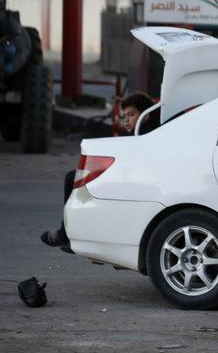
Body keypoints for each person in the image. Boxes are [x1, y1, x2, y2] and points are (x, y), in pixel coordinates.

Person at [40, 92, 157, 253]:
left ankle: (67, 234)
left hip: (135, 182)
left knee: (73, 178)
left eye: (131, 114)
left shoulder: (143, 132)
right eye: (124, 116)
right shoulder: (147, 131)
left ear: (146, 115)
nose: (127, 120)